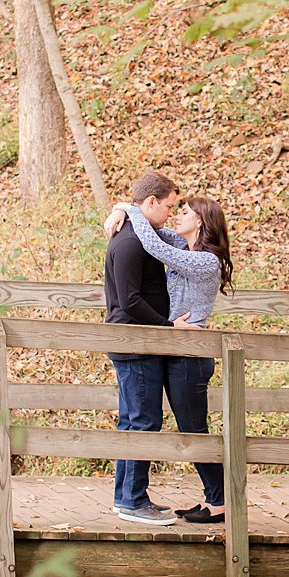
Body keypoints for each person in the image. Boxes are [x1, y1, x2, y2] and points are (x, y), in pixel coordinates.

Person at [105, 192, 233, 524]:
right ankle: (213, 498)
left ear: (201, 221)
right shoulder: (183, 244)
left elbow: (155, 246)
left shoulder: (207, 261)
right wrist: (122, 209)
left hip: (191, 354)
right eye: (175, 208)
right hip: (174, 349)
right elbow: (149, 229)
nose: (177, 215)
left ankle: (220, 500)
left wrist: (130, 208)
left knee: (193, 429)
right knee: (186, 428)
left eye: (185, 212)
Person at [103, 169, 200, 525]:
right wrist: (168, 325)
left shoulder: (140, 235)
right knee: (142, 422)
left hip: (138, 341)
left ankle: (127, 496)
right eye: (169, 208)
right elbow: (129, 300)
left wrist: (121, 208)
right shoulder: (130, 243)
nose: (171, 215)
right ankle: (132, 500)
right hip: (136, 342)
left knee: (134, 421)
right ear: (151, 202)